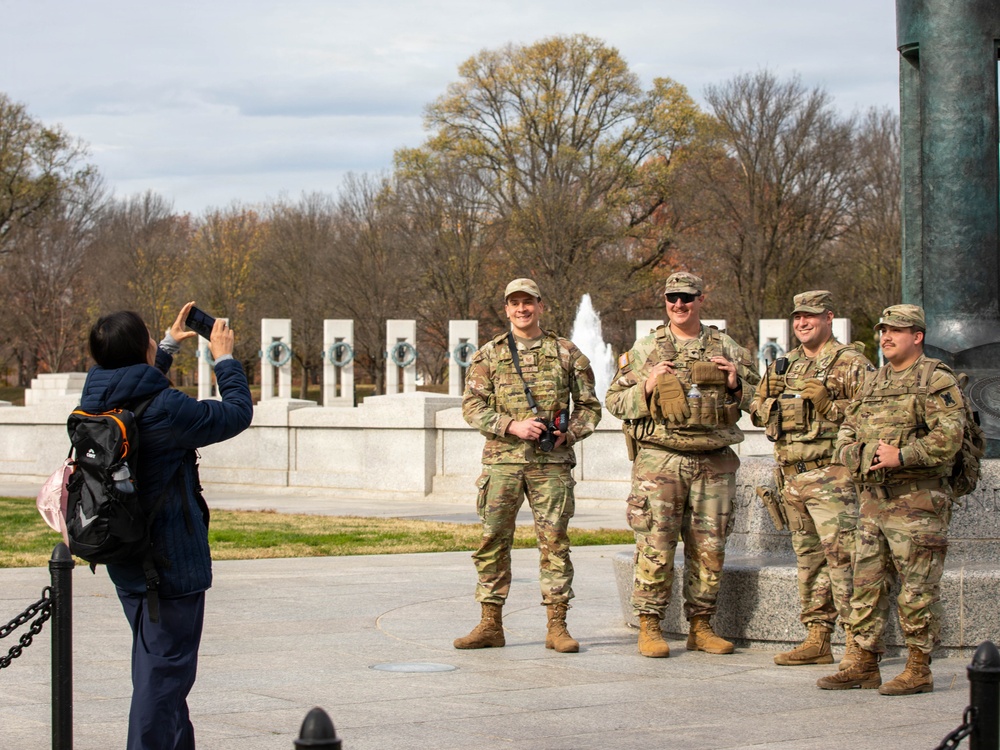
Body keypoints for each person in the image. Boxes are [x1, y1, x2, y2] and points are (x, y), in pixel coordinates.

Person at [82, 302, 253, 749]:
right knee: (162, 681)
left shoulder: (95, 400)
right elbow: (236, 413)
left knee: (158, 671)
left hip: (126, 555)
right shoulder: (168, 410)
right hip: (170, 566)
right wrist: (225, 358)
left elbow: (137, 387)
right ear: (142, 348)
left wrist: (171, 344)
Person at [605, 272, 759, 658]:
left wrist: (737, 383)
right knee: (655, 545)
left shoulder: (725, 346)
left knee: (710, 548)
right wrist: (646, 385)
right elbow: (614, 401)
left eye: (687, 298)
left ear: (701, 300)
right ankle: (650, 625)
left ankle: (701, 626)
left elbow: (762, 400)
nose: (679, 304)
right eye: (673, 297)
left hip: (713, 461)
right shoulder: (646, 350)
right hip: (662, 461)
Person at [817, 304, 966, 695]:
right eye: (883, 330)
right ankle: (863, 662)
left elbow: (949, 438)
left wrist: (903, 455)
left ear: (917, 336)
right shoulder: (873, 381)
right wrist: (856, 455)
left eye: (895, 331)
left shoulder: (935, 379)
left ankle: (919, 668)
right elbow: (847, 430)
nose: (885, 337)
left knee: (917, 590)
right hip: (873, 503)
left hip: (917, 503)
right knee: (865, 585)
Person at [455, 278, 602, 653]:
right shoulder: (489, 354)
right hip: (503, 462)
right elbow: (472, 405)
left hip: (550, 464)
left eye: (528, 302)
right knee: (492, 540)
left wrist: (569, 434)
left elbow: (589, 406)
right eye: (515, 303)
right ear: (506, 309)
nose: (522, 309)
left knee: (554, 542)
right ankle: (490, 623)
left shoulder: (567, 353)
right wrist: (510, 425)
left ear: (540, 306)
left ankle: (557, 625)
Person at [749, 291, 873, 667]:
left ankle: (857, 646)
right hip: (794, 479)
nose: (802, 323)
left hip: (833, 477)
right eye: (798, 317)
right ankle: (818, 638)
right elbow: (755, 407)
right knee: (810, 562)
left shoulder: (850, 363)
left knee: (844, 563)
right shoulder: (785, 364)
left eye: (811, 317)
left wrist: (827, 405)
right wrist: (771, 407)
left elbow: (874, 415)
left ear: (829, 318)